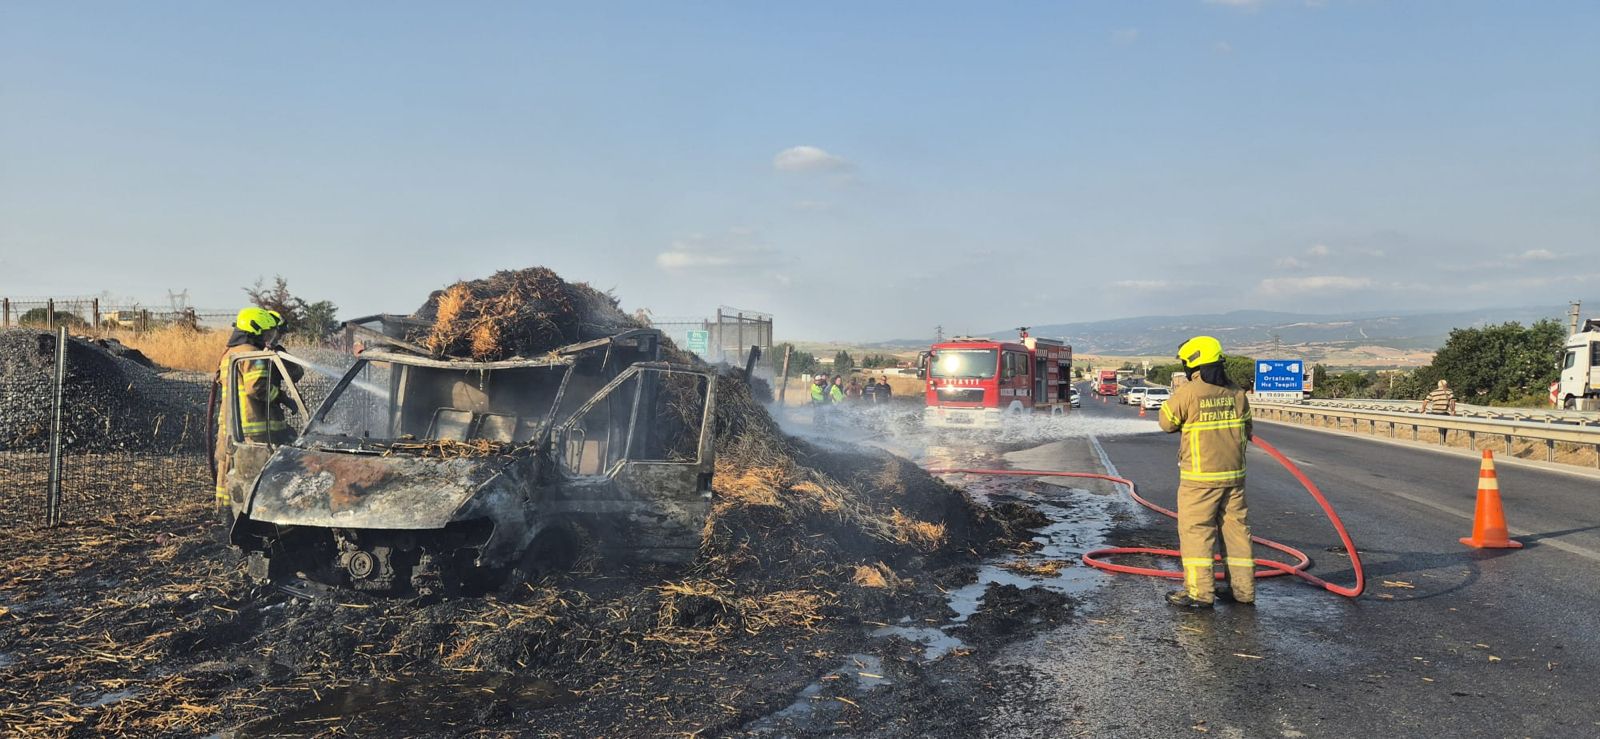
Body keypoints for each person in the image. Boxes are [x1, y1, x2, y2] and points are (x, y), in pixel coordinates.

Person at [1158, 336, 1254, 609]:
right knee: (1237, 533)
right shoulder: (1236, 392)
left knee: (1197, 533)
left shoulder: (1190, 392)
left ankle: (1200, 594)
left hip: (1200, 480)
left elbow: (1166, 423)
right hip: (1234, 478)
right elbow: (1248, 428)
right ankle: (1243, 591)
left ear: (1193, 363)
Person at [215, 307, 304, 508]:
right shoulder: (253, 354)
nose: (269, 337)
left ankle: (225, 513)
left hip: (230, 425)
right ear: (254, 331)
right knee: (256, 477)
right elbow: (257, 388)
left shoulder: (230, 353)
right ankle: (254, 515)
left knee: (228, 470)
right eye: (267, 333)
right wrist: (282, 397)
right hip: (255, 427)